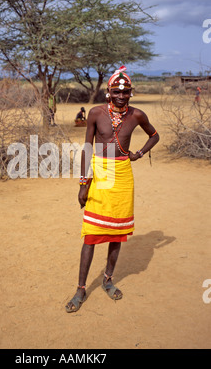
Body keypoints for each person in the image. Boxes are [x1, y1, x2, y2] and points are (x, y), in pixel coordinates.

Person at [65, 66, 159, 313]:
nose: (120, 96)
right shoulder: (96, 113)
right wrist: (84, 183)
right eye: (116, 92)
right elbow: (87, 147)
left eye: (125, 92)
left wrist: (139, 153)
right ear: (108, 92)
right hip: (100, 174)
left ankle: (107, 279)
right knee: (92, 234)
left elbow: (154, 135)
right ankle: (81, 288)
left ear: (130, 93)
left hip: (123, 176)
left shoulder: (137, 115)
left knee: (116, 233)